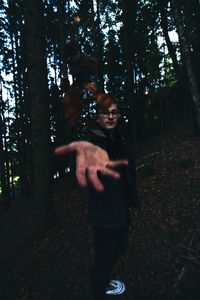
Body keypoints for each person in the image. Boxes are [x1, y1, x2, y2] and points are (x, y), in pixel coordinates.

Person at [55, 98, 139, 300]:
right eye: (106, 113)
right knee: (104, 257)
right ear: (98, 118)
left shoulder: (116, 139)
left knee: (119, 248)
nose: (111, 117)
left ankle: (102, 283)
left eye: (114, 113)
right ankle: (99, 291)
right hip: (103, 212)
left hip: (119, 208)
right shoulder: (93, 142)